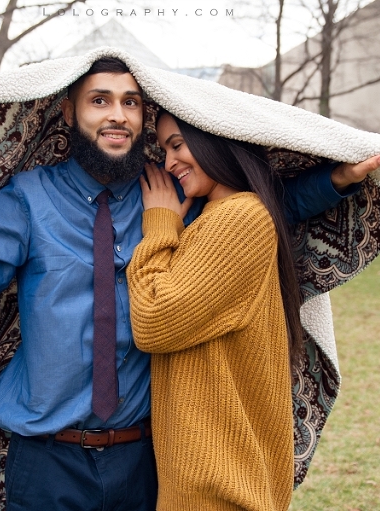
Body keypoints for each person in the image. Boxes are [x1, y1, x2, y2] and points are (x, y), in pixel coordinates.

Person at [0, 57, 380, 511]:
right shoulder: (26, 200)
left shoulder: (173, 199)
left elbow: (253, 216)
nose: (117, 114)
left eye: (131, 101)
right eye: (100, 99)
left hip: (150, 465)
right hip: (46, 465)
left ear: (146, 118)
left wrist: (332, 181)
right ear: (69, 111)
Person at [127, 112, 306, 510]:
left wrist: (159, 224)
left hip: (218, 486)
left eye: (177, 145)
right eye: (164, 150)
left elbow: (154, 321)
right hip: (210, 480)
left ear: (217, 140)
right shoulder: (219, 217)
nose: (169, 162)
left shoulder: (240, 217)